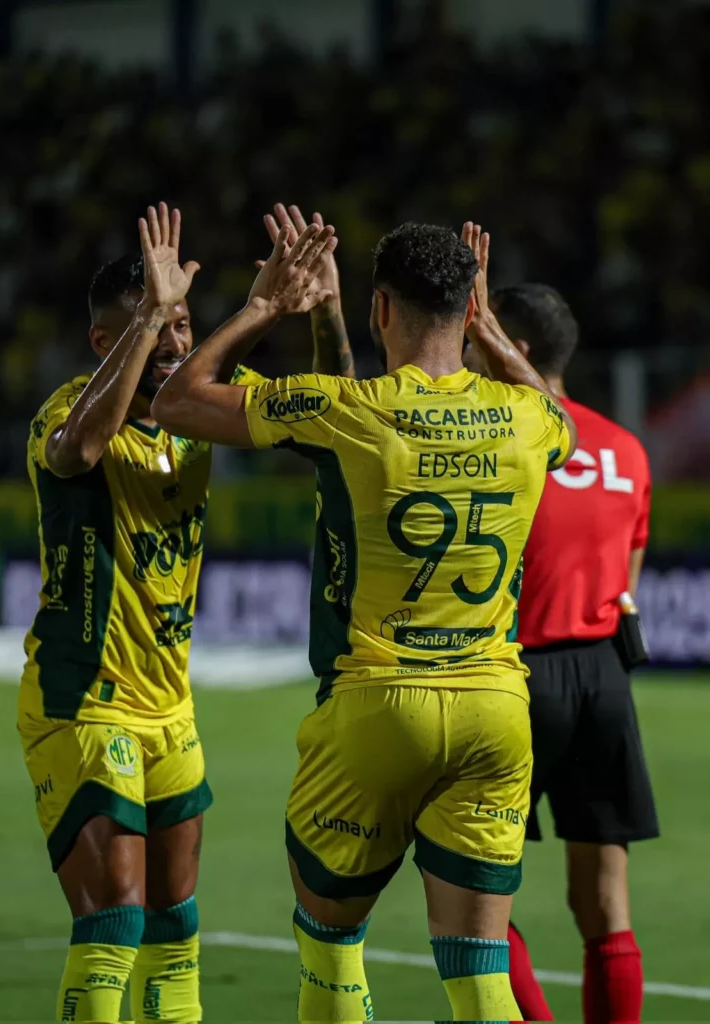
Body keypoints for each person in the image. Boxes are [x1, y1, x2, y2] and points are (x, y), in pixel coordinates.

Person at [151, 218, 578, 1023]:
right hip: (495, 710)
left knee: (329, 940)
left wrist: (262, 307)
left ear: (379, 308)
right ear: (469, 305)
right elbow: (558, 414)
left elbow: (176, 401)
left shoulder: (345, 411)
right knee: (480, 970)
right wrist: (486, 328)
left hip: (379, 709)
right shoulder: (526, 421)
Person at [18, 202, 353, 1024]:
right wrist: (155, 319)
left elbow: (338, 420)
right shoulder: (66, 412)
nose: (175, 345)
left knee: (176, 928)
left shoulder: (202, 410)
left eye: (181, 328)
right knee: (115, 919)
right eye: (158, 329)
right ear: (109, 341)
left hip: (169, 708)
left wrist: (326, 312)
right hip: (82, 699)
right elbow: (79, 455)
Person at [472, 284, 658, 1024]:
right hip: (605, 678)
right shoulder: (624, 448)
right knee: (605, 904)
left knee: (475, 898)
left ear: (512, 349)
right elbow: (630, 578)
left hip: (519, 677)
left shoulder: (505, 442)